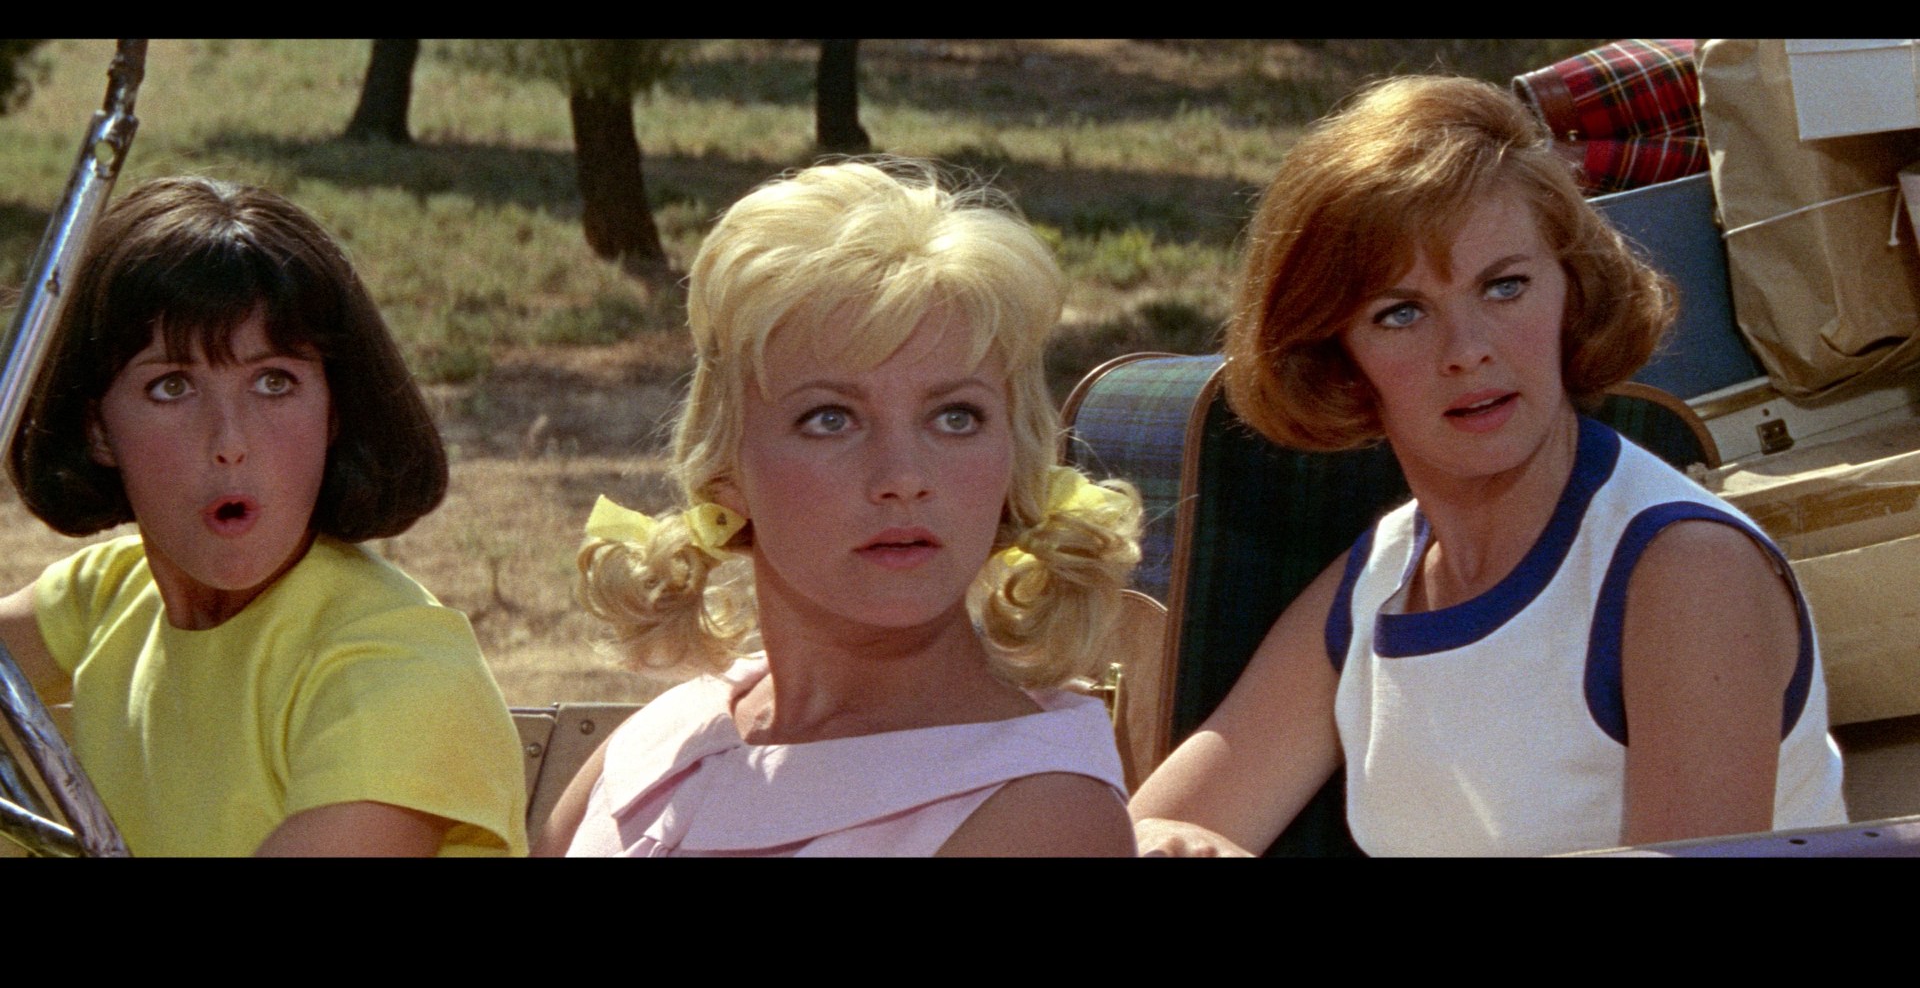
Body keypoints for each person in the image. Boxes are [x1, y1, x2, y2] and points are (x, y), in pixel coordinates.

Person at [1130, 76, 1847, 857]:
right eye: (1401, 313)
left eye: (1505, 287)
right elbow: (1152, 830)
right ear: (1335, 359)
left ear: (1573, 293)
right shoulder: (1380, 578)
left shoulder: (1684, 567)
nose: (1468, 350)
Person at [537, 158, 1141, 857]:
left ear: (1017, 458)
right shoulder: (656, 749)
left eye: (956, 417)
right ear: (726, 468)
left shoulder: (1041, 813)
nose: (903, 478)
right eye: (830, 419)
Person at [0, 176, 528, 857]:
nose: (230, 441)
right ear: (96, 428)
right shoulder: (106, 595)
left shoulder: (395, 664)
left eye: (275, 382)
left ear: (334, 410)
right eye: (171, 387)